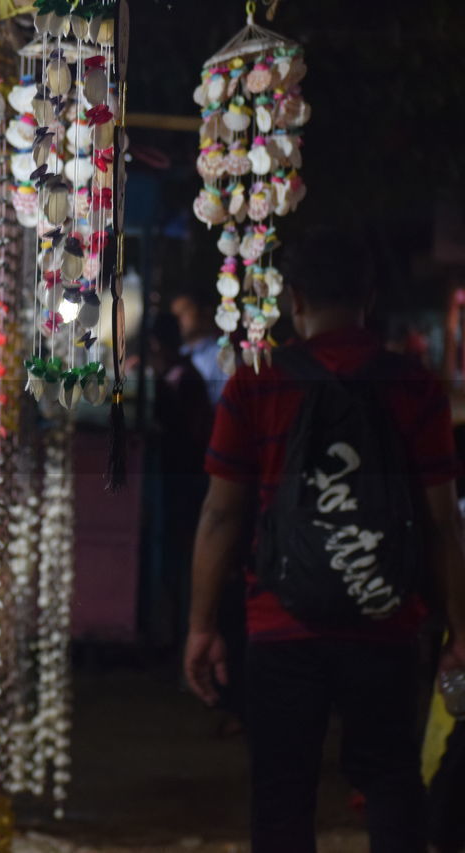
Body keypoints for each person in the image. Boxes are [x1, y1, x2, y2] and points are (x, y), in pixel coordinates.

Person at [185, 230, 465, 853]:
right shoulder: (414, 387)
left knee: (283, 797)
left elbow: (221, 517)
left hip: (280, 624)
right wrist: (458, 630)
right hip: (388, 621)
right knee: (392, 782)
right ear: (368, 295)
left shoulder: (255, 386)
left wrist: (203, 625)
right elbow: (443, 523)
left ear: (296, 299)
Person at [147, 311, 214, 649]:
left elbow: (189, 432)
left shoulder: (181, 379)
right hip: (183, 480)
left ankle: (176, 636)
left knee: (180, 560)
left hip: (184, 483)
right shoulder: (181, 376)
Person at [171, 291, 227, 406]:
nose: (178, 319)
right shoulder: (177, 355)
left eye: (184, 311)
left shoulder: (221, 356)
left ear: (204, 313)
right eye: (174, 315)